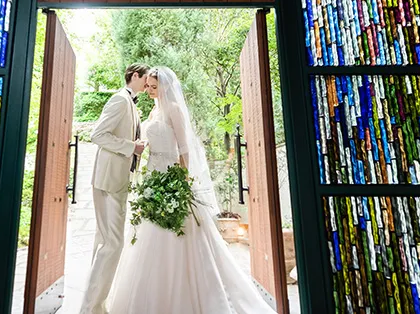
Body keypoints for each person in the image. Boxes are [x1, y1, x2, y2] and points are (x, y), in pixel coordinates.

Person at [107, 67, 276, 314]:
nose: (150, 91)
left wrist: (182, 180)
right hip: (152, 176)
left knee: (179, 231)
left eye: (154, 87)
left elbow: (184, 148)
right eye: (149, 86)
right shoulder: (154, 110)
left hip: (172, 174)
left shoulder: (174, 109)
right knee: (148, 231)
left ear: (166, 86)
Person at [79, 63, 150, 314]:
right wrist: (131, 146)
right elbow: (98, 135)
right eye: (145, 79)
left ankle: (94, 306)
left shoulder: (132, 104)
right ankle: (92, 308)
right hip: (109, 181)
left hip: (117, 180)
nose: (148, 85)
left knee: (105, 242)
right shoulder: (120, 100)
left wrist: (135, 146)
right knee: (113, 244)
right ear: (134, 76)